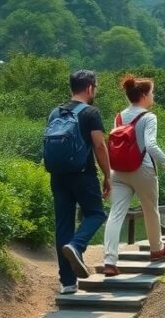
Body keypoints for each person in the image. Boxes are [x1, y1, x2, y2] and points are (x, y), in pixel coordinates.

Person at [101, 74, 165, 276]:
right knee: (150, 210)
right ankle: (157, 250)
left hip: (118, 171)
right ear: (144, 95)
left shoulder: (119, 117)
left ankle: (110, 261)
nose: (153, 96)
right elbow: (150, 145)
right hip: (142, 170)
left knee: (116, 213)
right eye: (152, 92)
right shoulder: (149, 117)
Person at [50, 70, 111, 294]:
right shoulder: (90, 113)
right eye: (95, 87)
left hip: (57, 175)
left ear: (71, 88)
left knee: (63, 224)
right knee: (96, 214)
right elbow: (100, 146)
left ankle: (67, 283)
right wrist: (108, 174)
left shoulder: (54, 113)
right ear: (89, 88)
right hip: (83, 174)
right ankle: (76, 246)